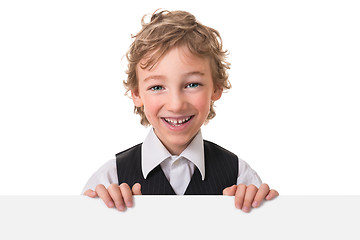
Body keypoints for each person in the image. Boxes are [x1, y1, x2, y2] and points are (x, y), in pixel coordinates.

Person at [83, 9, 278, 213]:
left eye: (192, 84)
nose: (176, 105)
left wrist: (262, 213)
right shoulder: (109, 179)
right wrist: (99, 219)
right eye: (157, 87)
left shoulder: (240, 177)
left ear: (217, 87)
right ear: (136, 94)